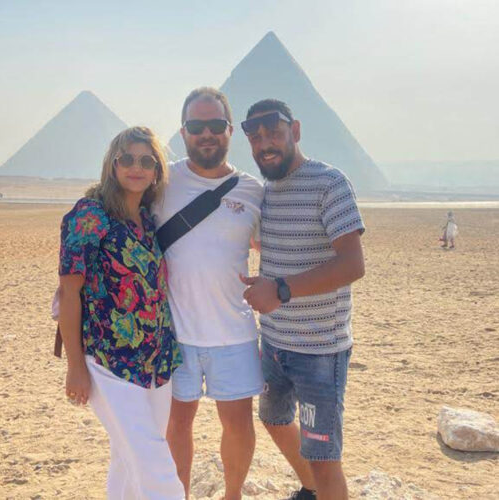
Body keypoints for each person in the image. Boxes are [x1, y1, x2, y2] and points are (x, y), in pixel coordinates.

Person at [239, 99, 365, 500]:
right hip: (274, 343)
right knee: (274, 419)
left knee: (323, 455)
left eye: (274, 133)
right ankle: (310, 489)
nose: (265, 144)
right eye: (256, 138)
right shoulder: (266, 193)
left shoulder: (330, 183)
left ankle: (319, 485)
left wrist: (280, 289)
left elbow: (352, 264)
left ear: (295, 131)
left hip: (319, 351)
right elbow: (270, 241)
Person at [58, 126, 184, 499]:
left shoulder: (147, 219)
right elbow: (69, 292)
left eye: (147, 161)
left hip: (156, 362)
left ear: (157, 170)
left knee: (129, 462)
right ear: (112, 164)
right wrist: (75, 366)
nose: (136, 167)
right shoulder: (90, 214)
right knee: (157, 468)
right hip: (108, 362)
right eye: (126, 158)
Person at [153, 88, 264, 500]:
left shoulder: (252, 191)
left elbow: (273, 245)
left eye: (215, 125)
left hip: (233, 332)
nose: (206, 134)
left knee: (238, 424)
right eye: (196, 126)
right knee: (177, 423)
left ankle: (232, 495)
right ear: (183, 132)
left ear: (230, 130)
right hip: (176, 332)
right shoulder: (161, 180)